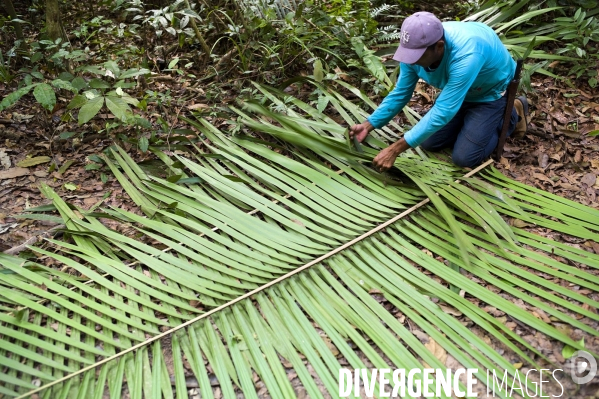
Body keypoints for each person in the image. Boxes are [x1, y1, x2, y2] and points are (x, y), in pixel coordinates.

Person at [349, 11, 529, 170]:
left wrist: (395, 149)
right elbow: (401, 93)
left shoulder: (466, 55)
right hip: (459, 91)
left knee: (464, 158)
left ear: (440, 46)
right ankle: (471, 123)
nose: (410, 61)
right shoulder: (414, 49)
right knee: (428, 142)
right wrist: (369, 124)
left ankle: (513, 110)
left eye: (416, 56)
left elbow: (444, 110)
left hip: (489, 92)